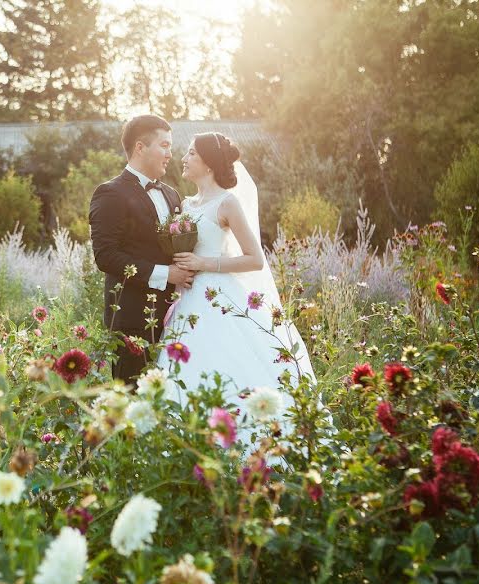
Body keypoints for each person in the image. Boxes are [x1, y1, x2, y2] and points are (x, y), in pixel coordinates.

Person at [156, 132, 316, 442]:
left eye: (191, 154)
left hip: (220, 297)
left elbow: (254, 259)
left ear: (209, 164)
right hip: (189, 299)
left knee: (227, 364)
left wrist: (204, 264)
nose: (184, 159)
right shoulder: (186, 204)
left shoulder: (227, 203)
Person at [89, 115, 195, 383]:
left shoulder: (172, 194)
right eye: (164, 145)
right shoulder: (110, 193)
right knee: (133, 406)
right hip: (132, 321)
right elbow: (106, 256)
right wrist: (165, 274)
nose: (170, 154)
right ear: (140, 147)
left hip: (174, 319)